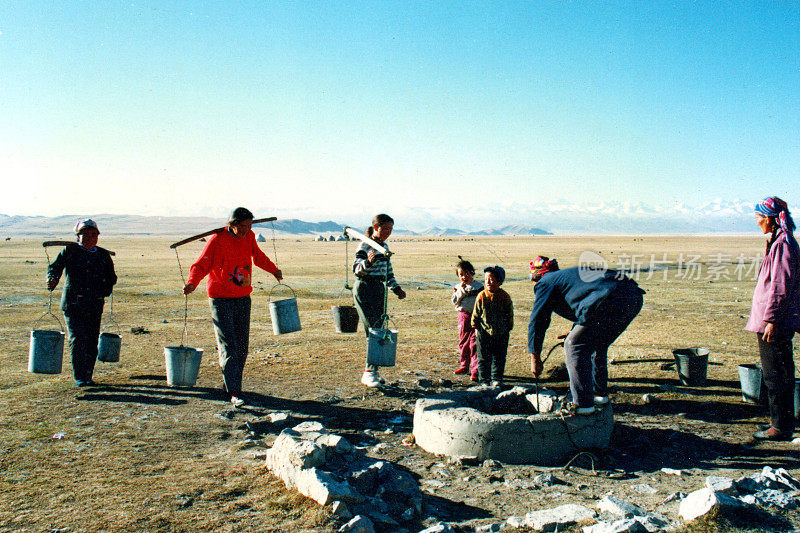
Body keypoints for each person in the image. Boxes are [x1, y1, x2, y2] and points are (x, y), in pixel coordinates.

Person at [183, 207, 282, 407]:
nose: (246, 230)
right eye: (243, 226)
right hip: (221, 299)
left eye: (249, 226)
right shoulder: (217, 240)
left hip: (243, 297)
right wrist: (192, 283)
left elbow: (258, 256)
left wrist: (274, 270)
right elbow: (201, 264)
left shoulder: (250, 236)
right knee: (229, 345)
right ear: (232, 224)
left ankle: (233, 385)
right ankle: (234, 391)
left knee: (242, 346)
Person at [528, 256, 644, 415]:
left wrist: (535, 355)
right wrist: (576, 329)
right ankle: (599, 395)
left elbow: (538, 320)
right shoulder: (564, 277)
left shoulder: (545, 282)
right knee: (597, 344)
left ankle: (582, 405)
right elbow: (588, 299)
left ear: (536, 277)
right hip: (633, 295)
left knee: (573, 344)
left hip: (610, 298)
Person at [745, 197, 800, 441]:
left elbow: (780, 285)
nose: (757, 223)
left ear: (769, 218)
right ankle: (781, 422)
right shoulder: (778, 242)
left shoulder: (783, 245)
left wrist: (772, 319)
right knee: (779, 371)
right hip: (773, 319)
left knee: (775, 373)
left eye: (759, 218)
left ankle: (780, 426)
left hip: (774, 322)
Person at [47, 219, 117, 386]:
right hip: (73, 304)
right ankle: (80, 377)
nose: (89, 237)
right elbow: (55, 267)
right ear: (77, 236)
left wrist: (103, 291)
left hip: (94, 304)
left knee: (92, 340)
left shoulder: (102, 255)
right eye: (84, 234)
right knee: (78, 339)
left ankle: (87, 376)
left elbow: (112, 277)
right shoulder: (70, 251)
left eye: (93, 234)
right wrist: (52, 278)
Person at [353, 214, 406, 387]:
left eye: (391, 230)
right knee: (373, 332)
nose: (388, 233)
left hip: (379, 289)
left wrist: (396, 288)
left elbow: (387, 271)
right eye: (385, 229)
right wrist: (368, 262)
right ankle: (369, 373)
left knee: (379, 330)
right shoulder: (365, 245)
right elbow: (356, 270)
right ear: (376, 227)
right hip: (364, 288)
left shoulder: (384, 246)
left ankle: (373, 372)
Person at [471, 265, 513, 387]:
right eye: (486, 279)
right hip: (484, 332)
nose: (488, 282)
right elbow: (476, 313)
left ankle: (497, 378)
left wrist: (507, 328)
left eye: (492, 279)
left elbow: (509, 314)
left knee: (499, 356)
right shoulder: (482, 296)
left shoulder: (505, 296)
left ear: (500, 281)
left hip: (501, 332)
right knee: (483, 357)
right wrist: (475, 327)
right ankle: (484, 380)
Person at [451, 258, 483, 380]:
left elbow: (482, 301)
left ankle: (475, 370)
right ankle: (464, 365)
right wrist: (461, 291)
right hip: (463, 316)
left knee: (475, 342)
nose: (464, 277)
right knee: (464, 342)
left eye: (467, 274)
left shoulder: (479, 286)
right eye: (461, 275)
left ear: (472, 273)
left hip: (476, 317)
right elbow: (454, 301)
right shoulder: (457, 287)